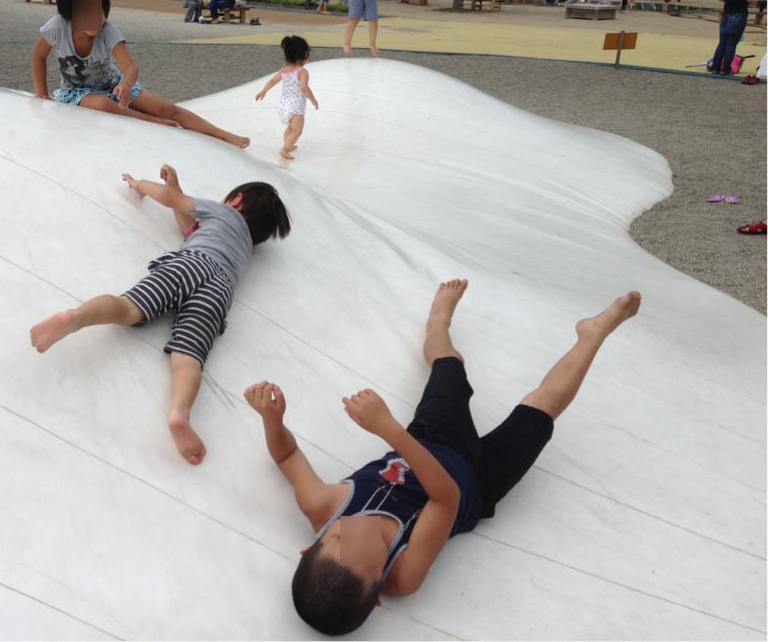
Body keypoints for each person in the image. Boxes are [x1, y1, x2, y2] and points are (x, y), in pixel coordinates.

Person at [244, 279, 642, 635]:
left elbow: (287, 455)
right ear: (380, 593)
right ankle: (592, 334)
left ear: (310, 545)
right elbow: (445, 497)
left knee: (448, 363)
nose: (362, 537)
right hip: (479, 482)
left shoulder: (323, 506)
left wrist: (271, 419)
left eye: (342, 537)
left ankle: (438, 322)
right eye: (372, 556)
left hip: (432, 438)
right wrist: (388, 429)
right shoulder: (404, 577)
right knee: (543, 406)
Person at [32, 165, 290, 465]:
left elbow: (172, 201)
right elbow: (190, 230)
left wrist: (140, 185)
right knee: (189, 357)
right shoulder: (245, 248)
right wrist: (177, 189)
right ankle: (179, 413)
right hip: (220, 290)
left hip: (191, 263)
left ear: (236, 200)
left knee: (129, 308)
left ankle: (75, 318)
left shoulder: (223, 212)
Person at [31, 0, 250, 148]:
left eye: (100, 9)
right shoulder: (57, 28)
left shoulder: (107, 30)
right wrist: (42, 94)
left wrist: (125, 86)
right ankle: (150, 120)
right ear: (69, 9)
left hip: (113, 84)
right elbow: (38, 57)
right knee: (103, 104)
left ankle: (223, 135)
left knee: (167, 109)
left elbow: (130, 68)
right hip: (76, 91)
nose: (96, 17)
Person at [254, 35, 319, 160]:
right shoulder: (302, 72)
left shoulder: (284, 70)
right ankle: (285, 149)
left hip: (283, 108)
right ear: (306, 54)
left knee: (290, 128)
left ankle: (288, 144)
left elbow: (273, 81)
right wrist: (313, 100)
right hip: (296, 109)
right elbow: (304, 87)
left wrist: (263, 91)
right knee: (297, 131)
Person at [710, 0, 757, 76]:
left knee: (722, 42)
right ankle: (725, 69)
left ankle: (715, 67)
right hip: (739, 15)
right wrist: (744, 1)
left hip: (726, 14)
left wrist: (731, 0)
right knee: (731, 43)